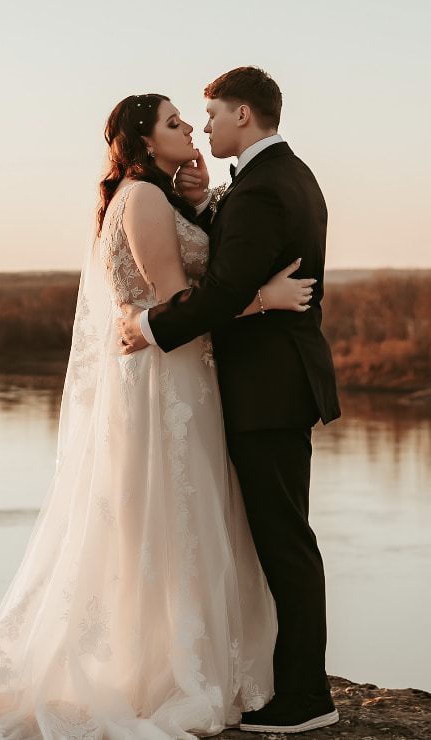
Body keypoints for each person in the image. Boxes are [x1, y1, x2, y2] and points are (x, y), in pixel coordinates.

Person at [0, 91, 315, 740]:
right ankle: (165, 672)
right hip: (166, 381)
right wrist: (262, 301)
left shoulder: (157, 197)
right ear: (141, 142)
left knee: (183, 520)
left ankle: (184, 659)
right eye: (174, 121)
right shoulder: (141, 198)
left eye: (190, 117)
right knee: (172, 520)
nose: (190, 124)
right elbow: (177, 302)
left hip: (178, 377)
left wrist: (196, 204)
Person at [119, 67, 341, 735]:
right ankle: (294, 684)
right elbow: (240, 263)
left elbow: (219, 293)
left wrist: (149, 327)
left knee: (284, 542)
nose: (204, 124)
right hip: (279, 381)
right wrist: (208, 202)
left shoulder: (264, 190)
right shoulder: (281, 177)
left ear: (244, 115)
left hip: (268, 386)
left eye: (212, 113)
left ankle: (306, 697)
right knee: (281, 537)